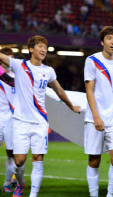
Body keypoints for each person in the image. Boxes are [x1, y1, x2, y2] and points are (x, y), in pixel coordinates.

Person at [0, 35, 80, 197]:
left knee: (38, 159)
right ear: (31, 49)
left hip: (40, 122)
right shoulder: (19, 65)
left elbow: (58, 90)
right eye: (40, 46)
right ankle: (21, 183)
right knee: (19, 161)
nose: (43, 49)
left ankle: (33, 195)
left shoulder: (48, 71)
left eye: (45, 47)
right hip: (20, 123)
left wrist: (71, 106)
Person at [84, 26, 113, 197]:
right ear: (102, 42)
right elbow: (89, 90)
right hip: (96, 117)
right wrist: (96, 116)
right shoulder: (92, 60)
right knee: (94, 161)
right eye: (109, 38)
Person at [0, 48, 17, 193]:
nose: (9, 61)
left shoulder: (17, 77)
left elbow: (11, 82)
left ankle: (7, 183)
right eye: (7, 58)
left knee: (11, 154)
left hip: (11, 120)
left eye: (12, 58)